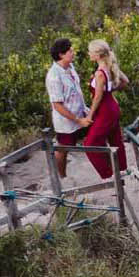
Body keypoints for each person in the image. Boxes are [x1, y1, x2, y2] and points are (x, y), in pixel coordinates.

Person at [80, 38, 129, 181]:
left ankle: (108, 175)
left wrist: (90, 115)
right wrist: (110, 89)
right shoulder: (110, 66)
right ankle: (121, 169)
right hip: (112, 106)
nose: (88, 54)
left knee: (90, 144)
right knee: (115, 139)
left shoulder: (100, 73)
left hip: (106, 110)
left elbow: (97, 97)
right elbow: (125, 81)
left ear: (97, 54)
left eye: (90, 51)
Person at [45, 37, 88, 174]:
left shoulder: (70, 67)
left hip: (81, 112)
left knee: (95, 134)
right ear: (61, 54)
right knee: (63, 148)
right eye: (70, 50)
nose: (73, 52)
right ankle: (62, 176)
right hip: (67, 121)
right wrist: (76, 119)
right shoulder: (54, 76)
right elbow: (57, 105)